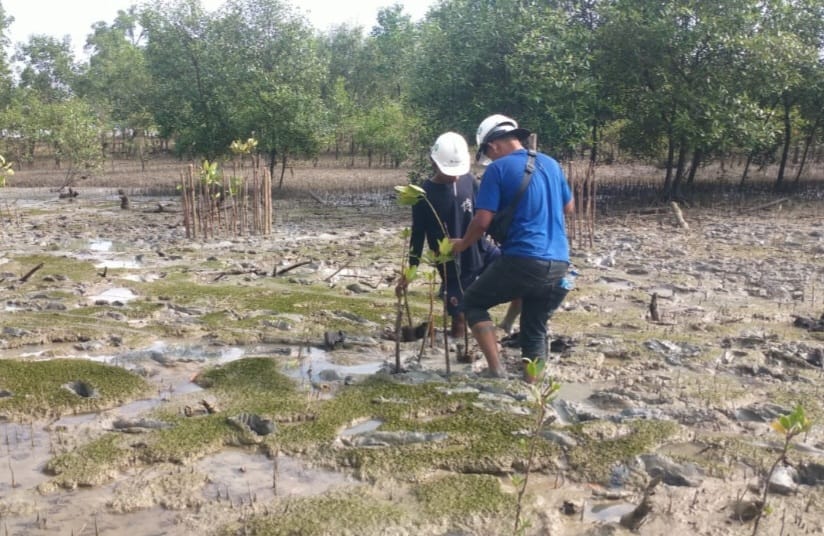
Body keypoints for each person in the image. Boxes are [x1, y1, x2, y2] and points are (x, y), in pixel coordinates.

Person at [451, 114, 574, 380]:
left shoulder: (497, 169)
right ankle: (534, 388)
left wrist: (462, 244)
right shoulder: (552, 164)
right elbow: (569, 207)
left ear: (493, 145)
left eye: (487, 153)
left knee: (472, 302)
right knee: (535, 328)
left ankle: (496, 371)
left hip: (523, 258)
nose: (490, 159)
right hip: (560, 262)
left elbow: (482, 221)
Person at [401, 131, 513, 342]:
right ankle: (458, 345)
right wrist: (411, 272)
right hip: (451, 262)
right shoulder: (423, 195)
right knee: (459, 314)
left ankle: (506, 324)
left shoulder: (469, 180)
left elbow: (486, 213)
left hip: (480, 248)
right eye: (448, 171)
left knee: (515, 274)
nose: (455, 176)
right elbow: (417, 236)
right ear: (433, 163)